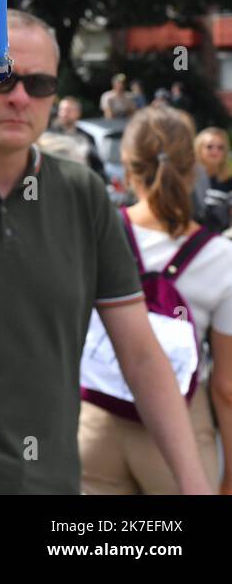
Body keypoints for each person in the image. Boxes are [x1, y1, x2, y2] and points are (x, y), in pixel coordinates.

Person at [0, 9, 211, 493]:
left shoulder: (84, 194)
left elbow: (140, 355)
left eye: (38, 84)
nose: (19, 96)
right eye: (0, 77)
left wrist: (193, 483)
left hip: (49, 485)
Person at [78, 107, 232, 494]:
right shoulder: (221, 257)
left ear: (127, 168)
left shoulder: (98, 234)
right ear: (192, 167)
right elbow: (227, 386)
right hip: (179, 431)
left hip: (97, 421)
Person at [194, 127, 231, 233]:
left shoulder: (228, 181)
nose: (215, 151)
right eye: (209, 147)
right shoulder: (189, 180)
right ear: (199, 149)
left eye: (220, 147)